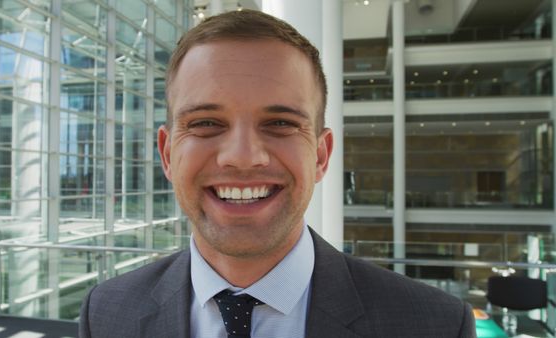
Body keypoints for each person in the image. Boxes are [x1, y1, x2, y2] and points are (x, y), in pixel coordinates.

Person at [79, 9, 476, 338]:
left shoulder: (435, 325)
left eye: (281, 124)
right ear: (167, 154)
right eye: (205, 123)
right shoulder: (106, 316)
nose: (243, 157)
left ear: (321, 156)